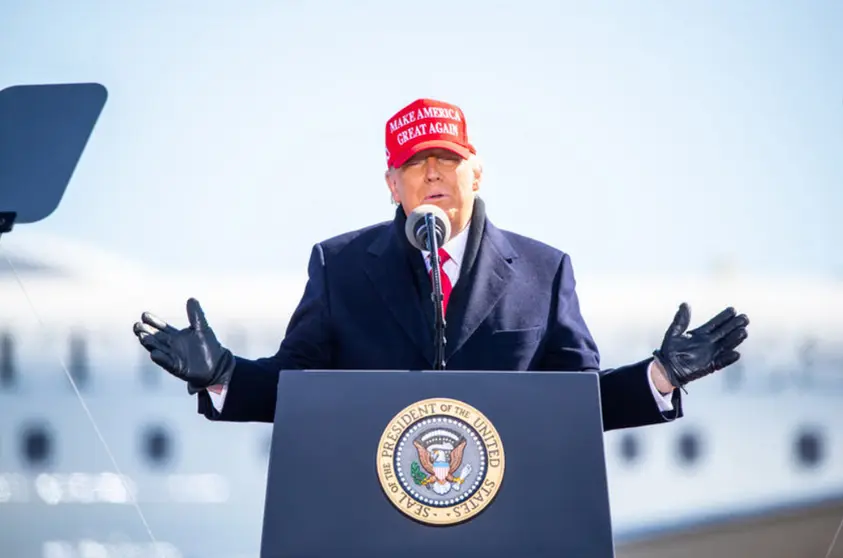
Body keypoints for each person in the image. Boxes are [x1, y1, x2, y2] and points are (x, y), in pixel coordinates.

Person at [132, 98, 749, 431]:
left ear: (475, 173)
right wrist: (222, 374)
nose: (431, 173)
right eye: (414, 162)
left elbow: (579, 405)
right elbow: (297, 390)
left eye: (446, 160)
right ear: (391, 183)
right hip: (371, 523)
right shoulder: (339, 266)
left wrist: (661, 376)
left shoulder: (543, 272)